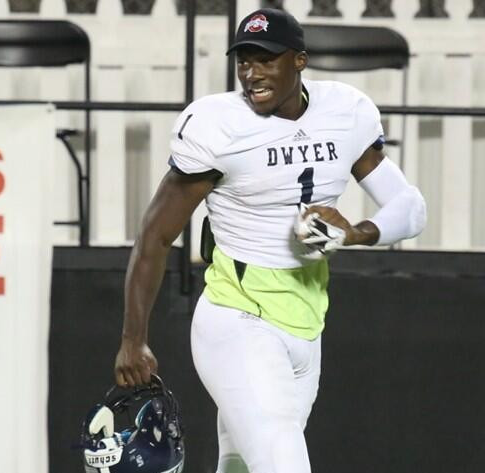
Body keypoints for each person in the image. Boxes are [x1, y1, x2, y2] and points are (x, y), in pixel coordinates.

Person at [114, 8, 426, 473]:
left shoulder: (344, 111)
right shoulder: (219, 125)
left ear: (299, 60)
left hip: (306, 320)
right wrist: (132, 339)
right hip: (237, 318)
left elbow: (410, 208)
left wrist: (356, 232)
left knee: (241, 464)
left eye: (266, 60)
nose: (251, 73)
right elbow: (155, 237)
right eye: (244, 61)